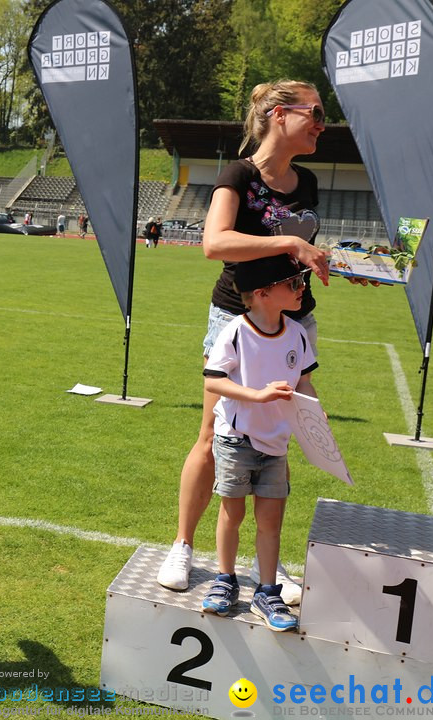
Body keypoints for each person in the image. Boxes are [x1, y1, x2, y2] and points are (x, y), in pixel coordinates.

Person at [156, 80, 329, 600]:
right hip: (236, 319)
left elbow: (294, 259)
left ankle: (267, 570)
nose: (322, 123)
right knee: (215, 435)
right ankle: (183, 545)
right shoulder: (238, 174)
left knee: (277, 434)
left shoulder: (309, 182)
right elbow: (216, 242)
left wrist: (335, 262)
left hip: (294, 323)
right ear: (279, 115)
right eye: (315, 113)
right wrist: (292, 241)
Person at [200, 254, 318, 632]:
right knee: (232, 515)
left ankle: (267, 592)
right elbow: (213, 382)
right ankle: (225, 580)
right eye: (295, 283)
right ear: (264, 293)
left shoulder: (297, 333)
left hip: (276, 445)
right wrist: (258, 395)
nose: (302, 289)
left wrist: (315, 413)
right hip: (236, 441)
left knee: (271, 522)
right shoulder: (235, 330)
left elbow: (304, 382)